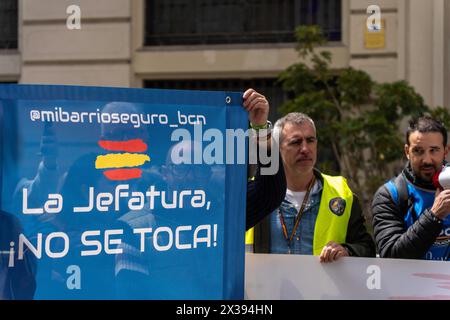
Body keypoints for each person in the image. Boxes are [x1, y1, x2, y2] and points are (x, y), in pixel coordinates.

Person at [250, 112, 375, 262]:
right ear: (278, 148)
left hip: (322, 285)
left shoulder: (342, 193)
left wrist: (347, 251)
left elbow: (367, 248)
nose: (305, 148)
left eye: (310, 140)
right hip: (264, 285)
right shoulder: (254, 193)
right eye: (296, 142)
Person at [372, 116, 450, 260]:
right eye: (418, 151)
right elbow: (391, 256)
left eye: (434, 150)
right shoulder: (390, 194)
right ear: (407, 151)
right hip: (407, 283)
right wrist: (434, 216)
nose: (427, 160)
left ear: (446, 151)